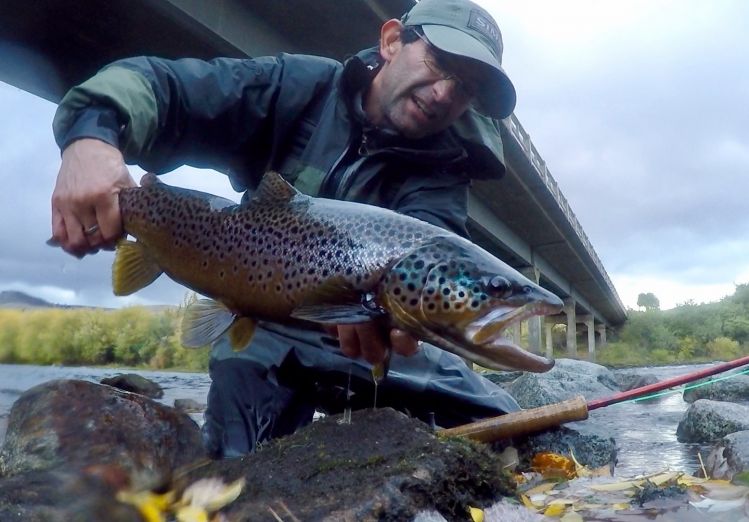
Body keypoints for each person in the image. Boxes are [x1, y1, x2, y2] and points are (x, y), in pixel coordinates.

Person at [50, 0, 522, 457]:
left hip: (367, 332)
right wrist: (91, 138)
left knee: (503, 424)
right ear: (392, 40)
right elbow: (166, 86)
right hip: (262, 320)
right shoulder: (297, 86)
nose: (444, 93)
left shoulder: (446, 170)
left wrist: (402, 321)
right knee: (240, 457)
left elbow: (428, 264)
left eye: (466, 87)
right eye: (439, 62)